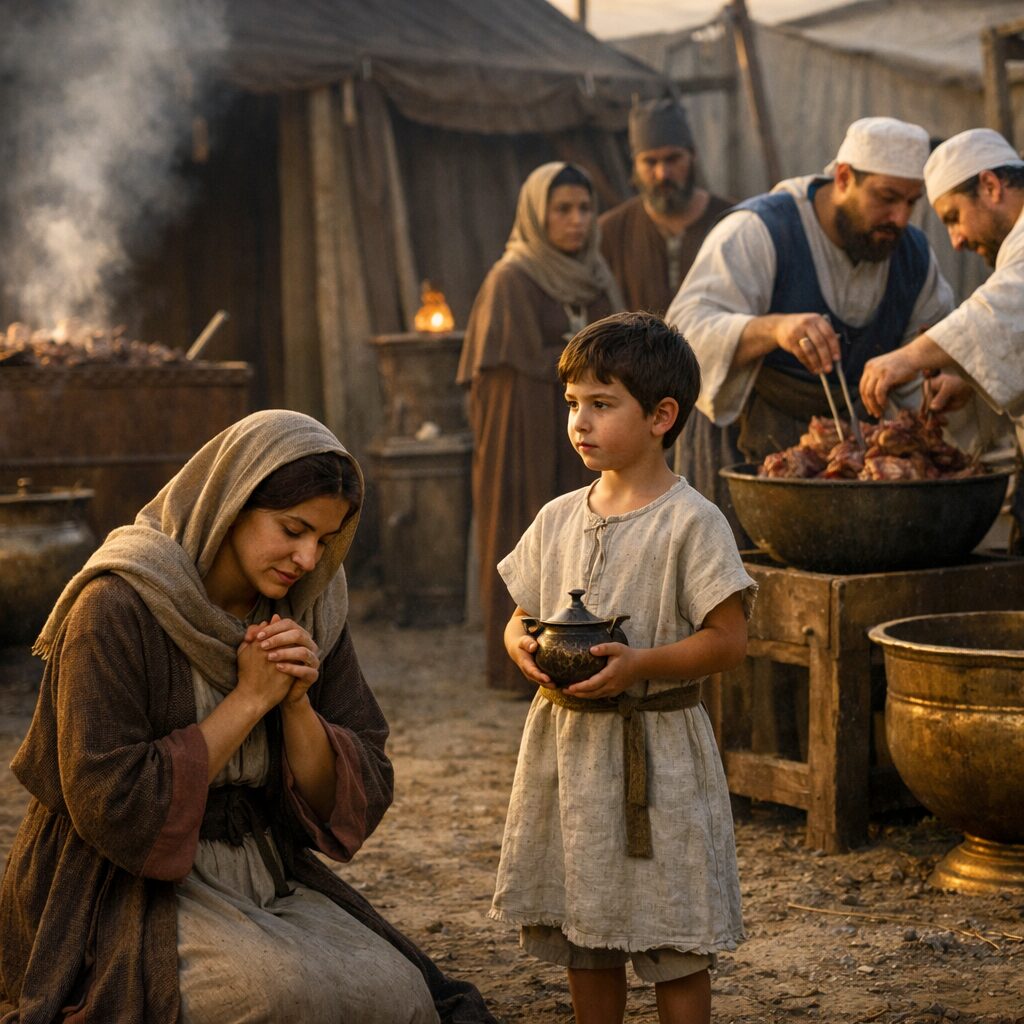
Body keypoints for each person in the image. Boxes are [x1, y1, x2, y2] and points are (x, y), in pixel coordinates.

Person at [0, 410, 496, 1024]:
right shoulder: (118, 603)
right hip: (128, 883)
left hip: (263, 868)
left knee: (401, 998)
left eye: (325, 538)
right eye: (292, 529)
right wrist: (249, 699)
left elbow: (359, 781)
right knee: (271, 999)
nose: (308, 558)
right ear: (232, 501)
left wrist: (295, 706)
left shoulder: (312, 609)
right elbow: (109, 801)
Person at [489, 312, 756, 1024]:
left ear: (662, 416)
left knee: (673, 928)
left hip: (658, 755)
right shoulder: (556, 518)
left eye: (602, 404)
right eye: (573, 403)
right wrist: (519, 641)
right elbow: (522, 613)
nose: (580, 420)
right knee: (587, 921)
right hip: (573, 752)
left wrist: (642, 665)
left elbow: (729, 639)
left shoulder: (691, 522)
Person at [667, 116, 957, 476]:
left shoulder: (913, 256)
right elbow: (682, 333)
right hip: (745, 450)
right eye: (887, 198)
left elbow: (938, 351)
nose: (900, 217)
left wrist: (942, 383)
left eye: (912, 202)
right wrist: (773, 329)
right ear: (844, 178)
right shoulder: (759, 231)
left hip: (855, 464)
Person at [457, 161, 622, 695]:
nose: (576, 221)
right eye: (562, 210)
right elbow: (503, 387)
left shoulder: (598, 277)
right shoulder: (512, 279)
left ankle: (587, 654)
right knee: (527, 534)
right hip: (524, 438)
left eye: (584, 208)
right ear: (536, 215)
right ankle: (518, 665)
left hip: (590, 434)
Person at [599, 95, 738, 532]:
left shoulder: (733, 222)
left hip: (714, 410)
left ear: (692, 158)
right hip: (634, 415)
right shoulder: (610, 232)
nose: (662, 173)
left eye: (673, 159)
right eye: (650, 161)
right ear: (635, 166)